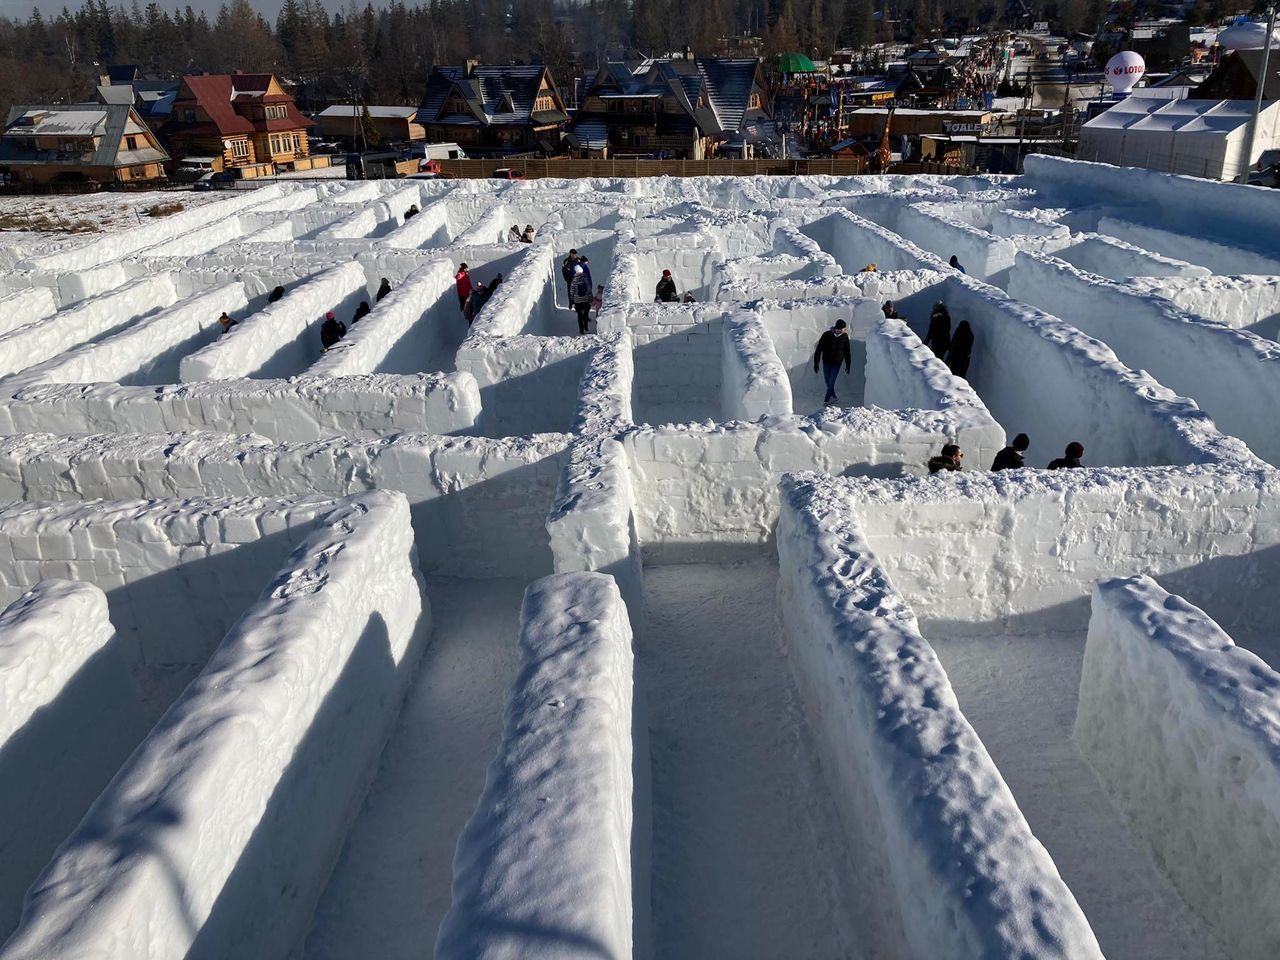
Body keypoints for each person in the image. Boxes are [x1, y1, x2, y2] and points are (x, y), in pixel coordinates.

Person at [812, 319, 852, 405]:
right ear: (838, 328)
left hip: (837, 363)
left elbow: (847, 351)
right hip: (826, 361)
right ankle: (834, 397)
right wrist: (816, 362)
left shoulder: (844, 336)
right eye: (842, 328)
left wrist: (848, 364)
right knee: (828, 381)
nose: (843, 330)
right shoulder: (827, 335)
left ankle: (826, 400)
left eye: (844, 329)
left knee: (831, 382)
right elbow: (819, 349)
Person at [570, 264, 593, 334]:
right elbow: (589, 289)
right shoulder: (586, 279)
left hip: (577, 301)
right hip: (586, 299)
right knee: (585, 314)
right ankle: (585, 325)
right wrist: (590, 297)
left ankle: (581, 329)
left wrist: (572, 299)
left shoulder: (574, 280)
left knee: (579, 315)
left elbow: (572, 290)